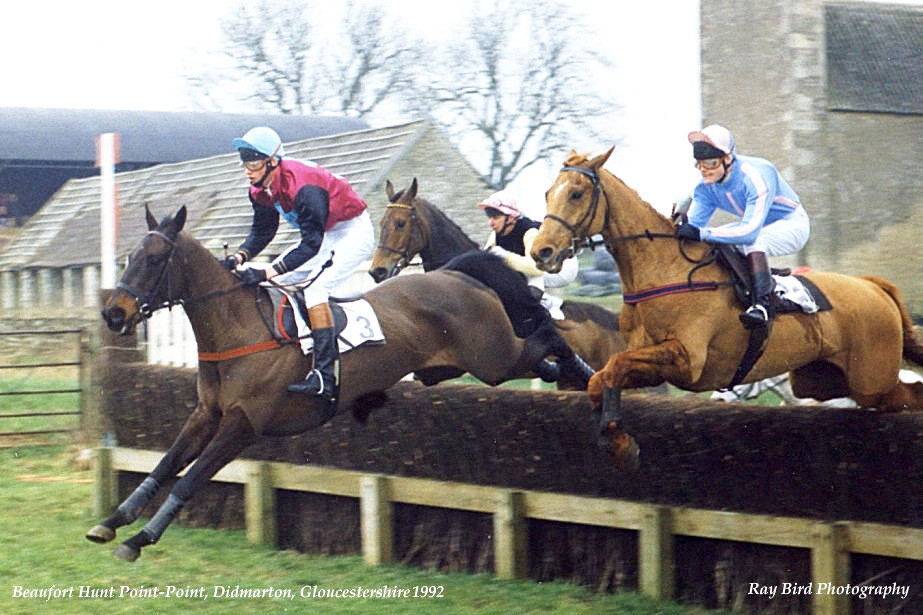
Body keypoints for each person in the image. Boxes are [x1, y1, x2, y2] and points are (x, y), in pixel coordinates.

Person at [225, 126, 376, 400]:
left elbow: (311, 244)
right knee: (279, 281)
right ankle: (298, 352)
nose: (247, 169)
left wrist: (267, 270)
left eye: (253, 162)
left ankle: (324, 376)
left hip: (353, 231)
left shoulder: (303, 186)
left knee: (315, 290)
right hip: (325, 233)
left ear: (273, 161)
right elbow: (263, 231)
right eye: (244, 162)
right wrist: (240, 256)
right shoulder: (259, 189)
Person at [676, 124, 810, 329]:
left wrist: (702, 233)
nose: (704, 170)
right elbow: (694, 228)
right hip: (757, 227)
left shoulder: (757, 174)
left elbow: (749, 232)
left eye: (710, 163)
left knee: (750, 239)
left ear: (728, 159)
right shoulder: (705, 188)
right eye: (700, 164)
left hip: (792, 225)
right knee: (717, 240)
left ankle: (762, 305)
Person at [477, 190, 591, 383]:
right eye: (489, 216)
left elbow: (535, 268)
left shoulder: (529, 232)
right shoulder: (496, 235)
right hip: (538, 268)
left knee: (527, 275)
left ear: (510, 217)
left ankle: (547, 305)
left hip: (561, 268)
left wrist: (505, 256)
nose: (491, 222)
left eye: (495, 216)